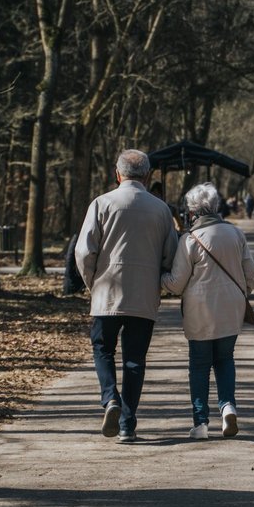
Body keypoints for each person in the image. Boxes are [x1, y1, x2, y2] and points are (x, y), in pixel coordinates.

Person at [75, 149, 178, 444]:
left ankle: (110, 399)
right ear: (148, 176)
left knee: (102, 349)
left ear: (117, 174)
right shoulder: (161, 210)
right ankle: (127, 425)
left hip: (107, 290)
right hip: (143, 295)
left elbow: (84, 251)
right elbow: (171, 253)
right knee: (135, 360)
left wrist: (92, 281)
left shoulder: (102, 203)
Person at [161, 183, 254, 440]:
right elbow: (250, 271)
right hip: (231, 307)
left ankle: (201, 423)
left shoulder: (190, 240)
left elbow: (177, 283)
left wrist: (160, 279)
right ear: (216, 207)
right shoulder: (235, 234)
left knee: (200, 365)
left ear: (193, 211)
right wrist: (242, 293)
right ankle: (228, 408)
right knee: (225, 359)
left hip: (199, 311)